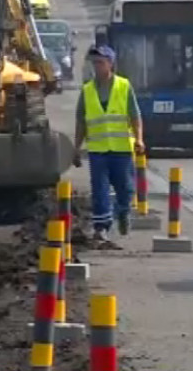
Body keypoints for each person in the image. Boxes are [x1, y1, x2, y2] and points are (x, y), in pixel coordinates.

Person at [73, 45, 144, 241]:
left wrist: (139, 139)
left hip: (121, 149)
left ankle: (123, 212)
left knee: (125, 189)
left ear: (110, 64)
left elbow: (135, 116)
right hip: (98, 151)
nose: (97, 67)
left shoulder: (123, 86)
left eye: (101, 62)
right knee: (100, 189)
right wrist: (76, 148)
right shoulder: (87, 90)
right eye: (95, 63)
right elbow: (81, 121)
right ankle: (101, 227)